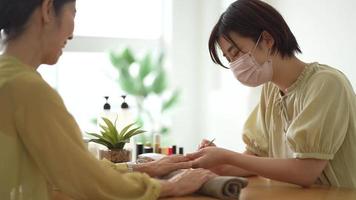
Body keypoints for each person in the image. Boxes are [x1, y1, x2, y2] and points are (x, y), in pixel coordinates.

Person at [0, 0, 215, 199]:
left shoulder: (8, 78)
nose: (73, 34)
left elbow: (71, 165)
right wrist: (171, 186)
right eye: (73, 13)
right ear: (48, 10)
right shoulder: (27, 89)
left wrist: (142, 168)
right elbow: (84, 178)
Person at [187, 0, 356, 188]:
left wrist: (228, 156)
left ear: (267, 40)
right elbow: (256, 159)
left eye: (236, 53)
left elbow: (306, 172)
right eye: (229, 59)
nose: (235, 65)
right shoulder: (271, 91)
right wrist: (221, 164)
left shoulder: (327, 84)